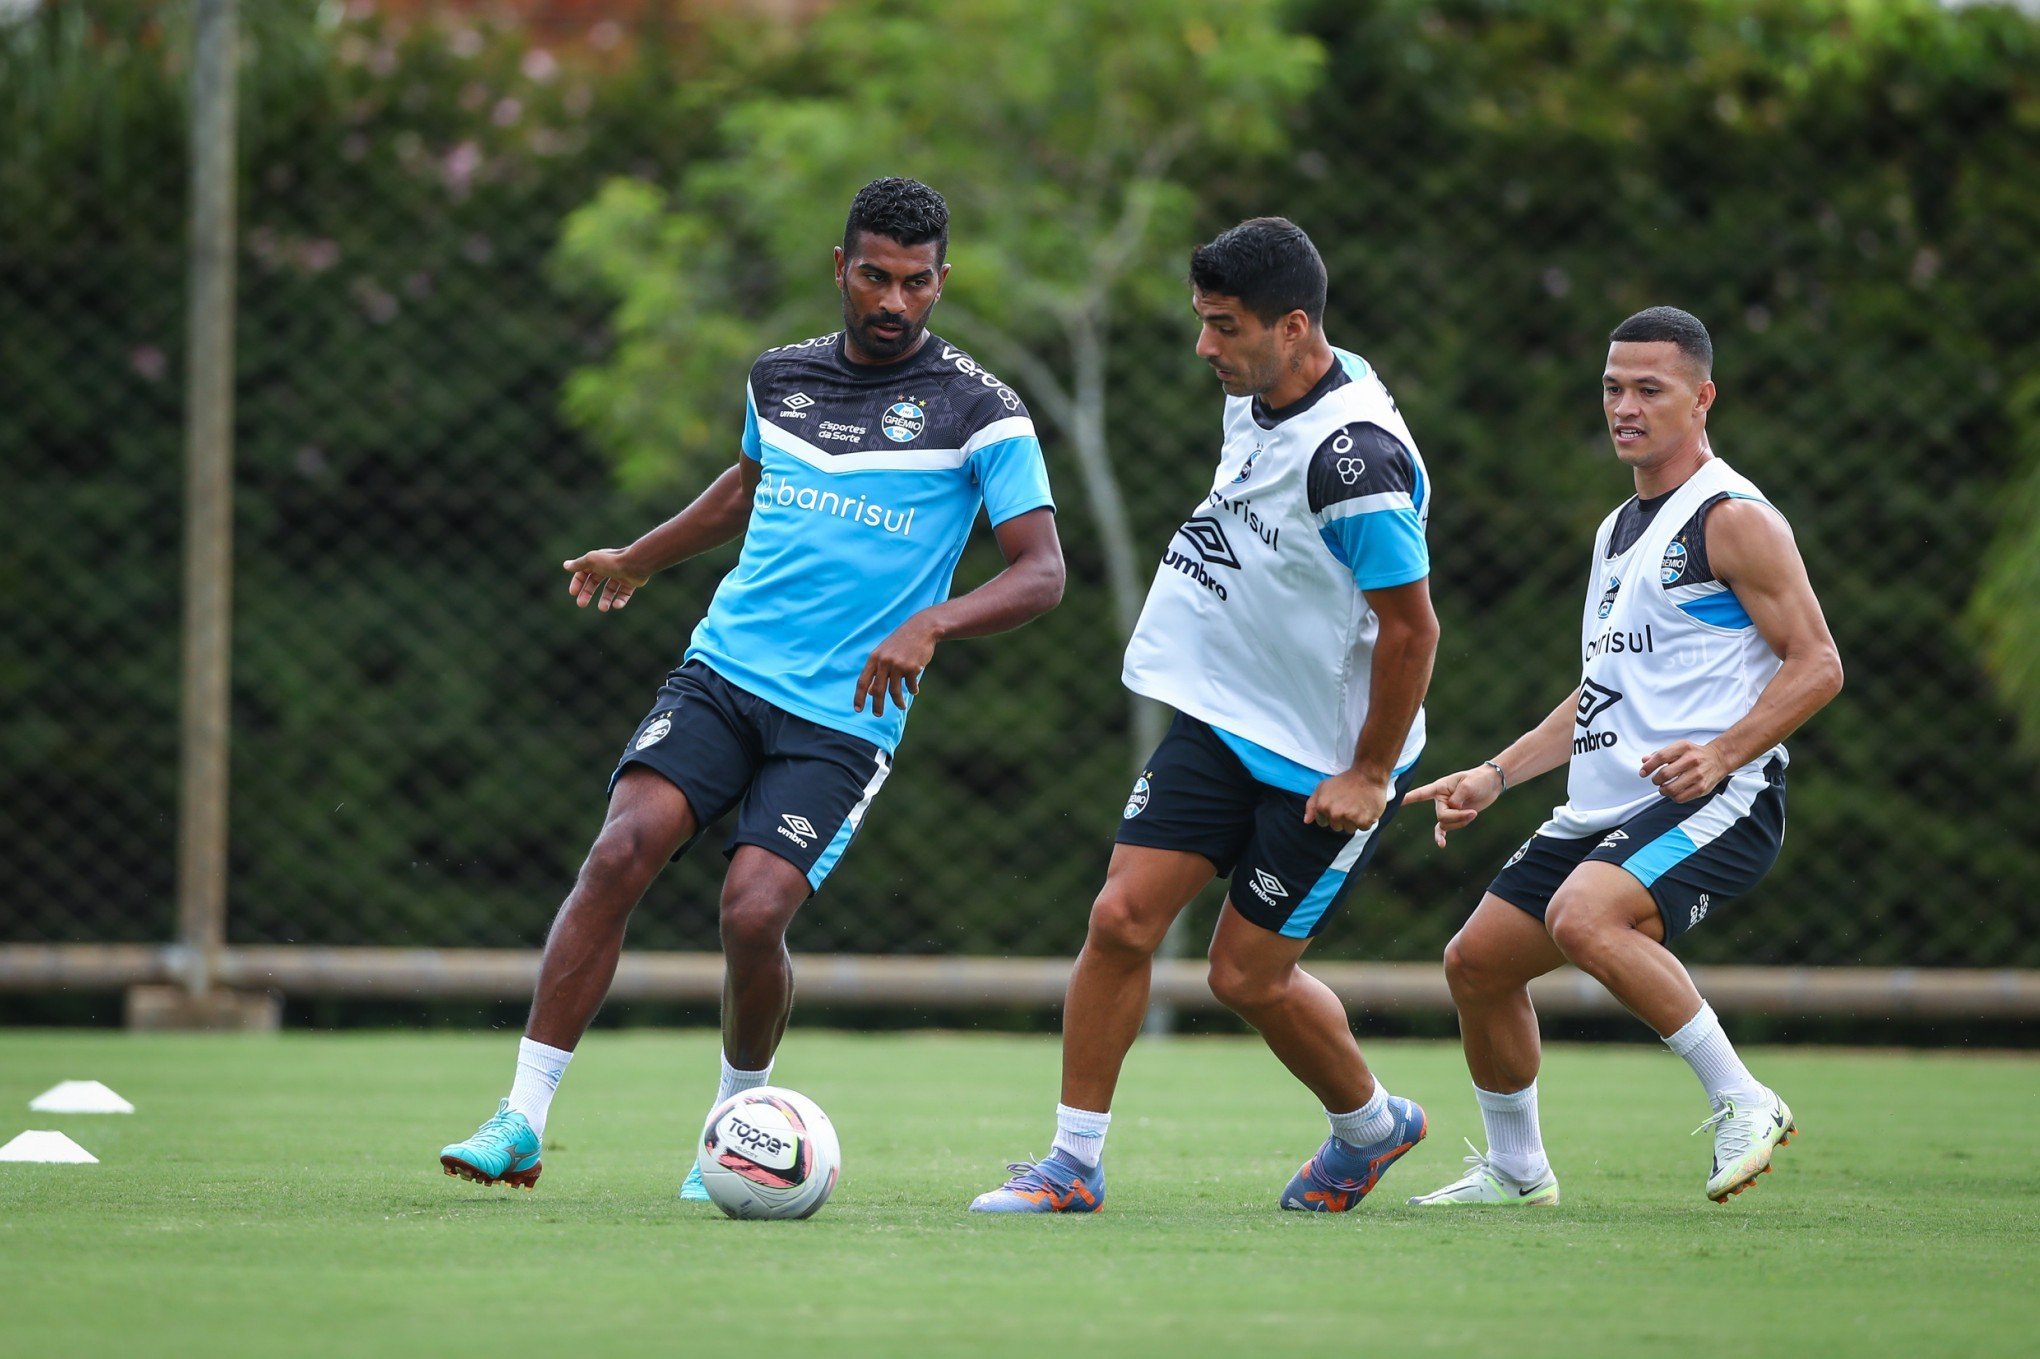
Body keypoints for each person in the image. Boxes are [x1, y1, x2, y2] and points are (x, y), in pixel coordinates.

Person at [438, 178, 1064, 1193]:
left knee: (752, 913)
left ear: (942, 283)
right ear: (840, 268)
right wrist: (640, 557)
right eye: (874, 276)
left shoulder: (981, 411)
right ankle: (520, 1117)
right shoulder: (780, 378)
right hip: (725, 671)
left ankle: (733, 1120)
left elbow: (1043, 571)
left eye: (915, 283)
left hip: (842, 717)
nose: (893, 301)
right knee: (621, 850)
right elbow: (745, 486)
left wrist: (933, 621)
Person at [970, 217, 1440, 1215]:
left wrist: (1366, 773)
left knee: (1246, 979)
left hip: (1323, 759)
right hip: (1224, 718)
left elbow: (1412, 633)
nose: (1204, 347)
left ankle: (1371, 1128)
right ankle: (1072, 1165)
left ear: (1296, 327)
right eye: (1203, 321)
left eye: (1225, 328)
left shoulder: (1356, 463)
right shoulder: (1269, 381)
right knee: (1119, 918)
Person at [1404, 306, 1842, 1207]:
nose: (1626, 406)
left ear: (1703, 398)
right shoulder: (1616, 532)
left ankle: (1744, 1099)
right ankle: (1518, 1171)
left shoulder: (1733, 518)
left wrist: (1722, 753)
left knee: (1583, 915)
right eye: (1613, 388)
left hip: (1721, 795)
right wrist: (1495, 773)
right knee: (1476, 963)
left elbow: (1820, 664)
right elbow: (1601, 694)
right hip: (1608, 806)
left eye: (1651, 388)